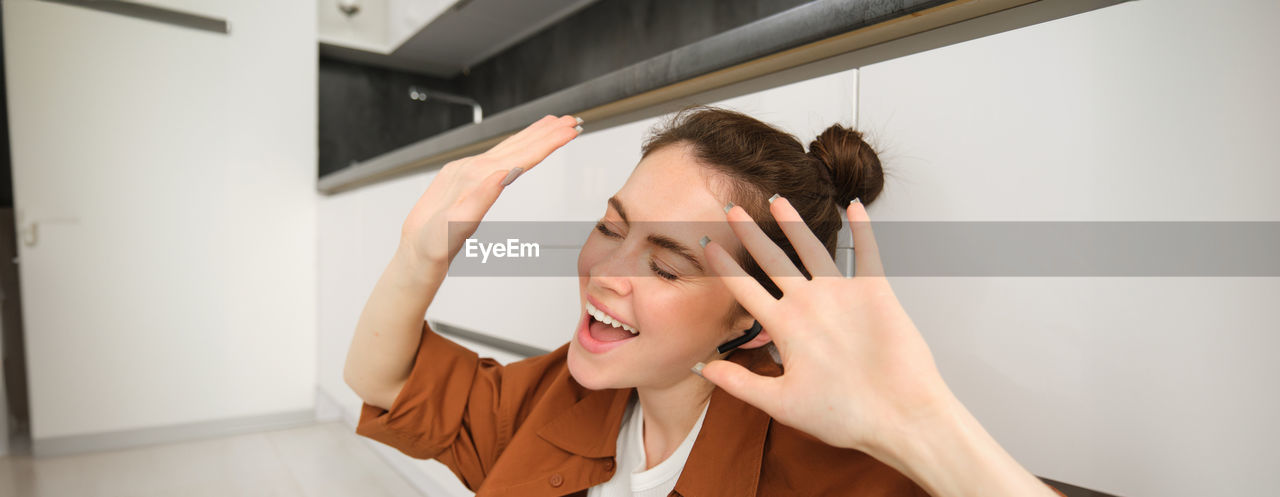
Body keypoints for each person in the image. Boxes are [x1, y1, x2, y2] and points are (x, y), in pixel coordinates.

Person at [345, 106, 1065, 496]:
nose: (606, 271)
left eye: (665, 266)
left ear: (751, 318)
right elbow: (382, 381)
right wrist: (421, 251)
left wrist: (918, 422)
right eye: (610, 227)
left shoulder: (835, 472)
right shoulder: (554, 397)